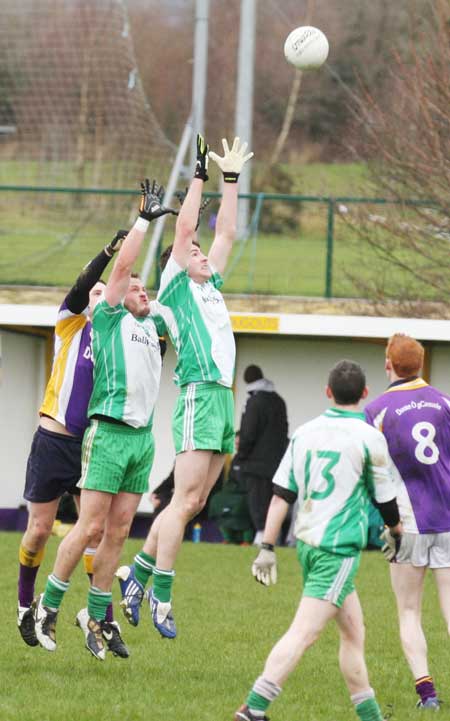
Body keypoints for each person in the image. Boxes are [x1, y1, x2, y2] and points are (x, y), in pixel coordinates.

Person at [116, 134, 253, 639]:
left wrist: (232, 179)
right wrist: (199, 175)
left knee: (194, 502)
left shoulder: (209, 283)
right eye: (191, 250)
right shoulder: (176, 282)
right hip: (198, 392)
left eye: (199, 252)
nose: (198, 251)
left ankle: (136, 574)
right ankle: (163, 597)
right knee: (183, 499)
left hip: (221, 398)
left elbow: (229, 232)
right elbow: (189, 226)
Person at [33, 179, 177, 660]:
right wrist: (142, 221)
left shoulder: (154, 325)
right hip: (109, 434)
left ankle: (96, 615)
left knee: (117, 533)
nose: (138, 289)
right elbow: (124, 267)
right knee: (90, 528)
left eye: (143, 287)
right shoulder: (109, 319)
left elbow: (179, 273)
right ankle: (48, 604)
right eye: (131, 286)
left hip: (141, 440)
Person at [234, 360, 402, 721]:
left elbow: (281, 494)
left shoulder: (306, 432)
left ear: (328, 392)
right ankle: (253, 709)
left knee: (354, 633)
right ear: (365, 394)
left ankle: (371, 716)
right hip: (337, 551)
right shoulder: (370, 437)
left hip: (308, 546)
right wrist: (396, 531)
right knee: (303, 633)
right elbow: (386, 500)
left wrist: (267, 546)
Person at [17, 231, 126, 654]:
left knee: (95, 531)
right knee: (40, 530)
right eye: (96, 292)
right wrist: (108, 254)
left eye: (105, 293)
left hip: (91, 445)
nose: (98, 296)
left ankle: (100, 619)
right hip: (53, 440)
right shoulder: (70, 323)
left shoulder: (116, 339)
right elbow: (82, 287)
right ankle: (26, 604)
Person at [365, 334, 450, 711]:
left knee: (410, 610)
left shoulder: (377, 410)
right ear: (421, 364)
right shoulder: (445, 402)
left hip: (407, 524)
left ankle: (427, 694)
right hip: (447, 518)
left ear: (388, 364)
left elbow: (370, 468)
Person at [237, 364, 288, 544]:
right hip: (276, 464)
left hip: (256, 465)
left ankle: (262, 539)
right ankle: (275, 537)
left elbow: (248, 434)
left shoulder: (254, 402)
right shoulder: (279, 401)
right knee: (272, 502)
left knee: (258, 505)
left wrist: (241, 456)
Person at [208, 432, 254, 545]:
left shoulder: (253, 459)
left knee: (239, 505)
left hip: (246, 493)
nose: (237, 446)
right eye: (236, 443)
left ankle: (246, 539)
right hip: (233, 492)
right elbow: (231, 479)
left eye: (239, 443)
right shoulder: (235, 459)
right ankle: (227, 538)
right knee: (217, 499)